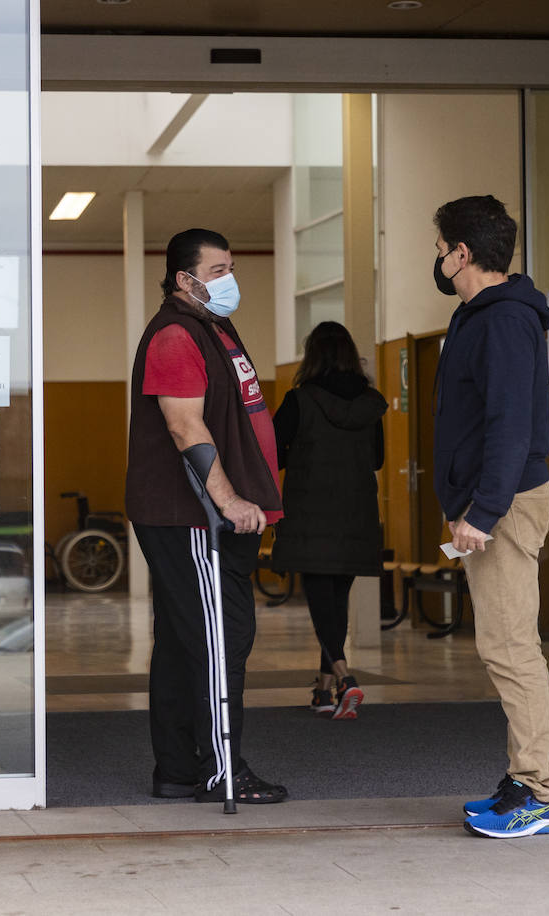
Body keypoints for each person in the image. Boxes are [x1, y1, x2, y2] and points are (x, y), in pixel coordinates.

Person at [126, 228, 288, 804]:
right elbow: (184, 426)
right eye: (218, 270)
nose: (229, 279)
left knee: (182, 641)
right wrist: (229, 501)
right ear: (184, 280)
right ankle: (223, 770)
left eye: (230, 267)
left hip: (196, 516)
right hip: (193, 517)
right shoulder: (175, 335)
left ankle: (177, 769)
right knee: (221, 638)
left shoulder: (211, 328)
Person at [429, 195, 549, 839]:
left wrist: (482, 512)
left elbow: (510, 426)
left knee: (512, 646)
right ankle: (528, 779)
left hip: (504, 504)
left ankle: (540, 789)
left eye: (440, 247)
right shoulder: (479, 316)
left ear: (463, 252)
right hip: (492, 501)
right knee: (501, 643)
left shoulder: (505, 320)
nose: (437, 258)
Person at [271, 321, 386, 721]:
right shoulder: (372, 403)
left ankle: (345, 678)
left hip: (311, 515)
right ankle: (322, 693)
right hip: (356, 516)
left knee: (323, 606)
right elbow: (377, 459)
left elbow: (272, 453)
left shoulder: (299, 400)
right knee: (336, 603)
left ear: (313, 355)